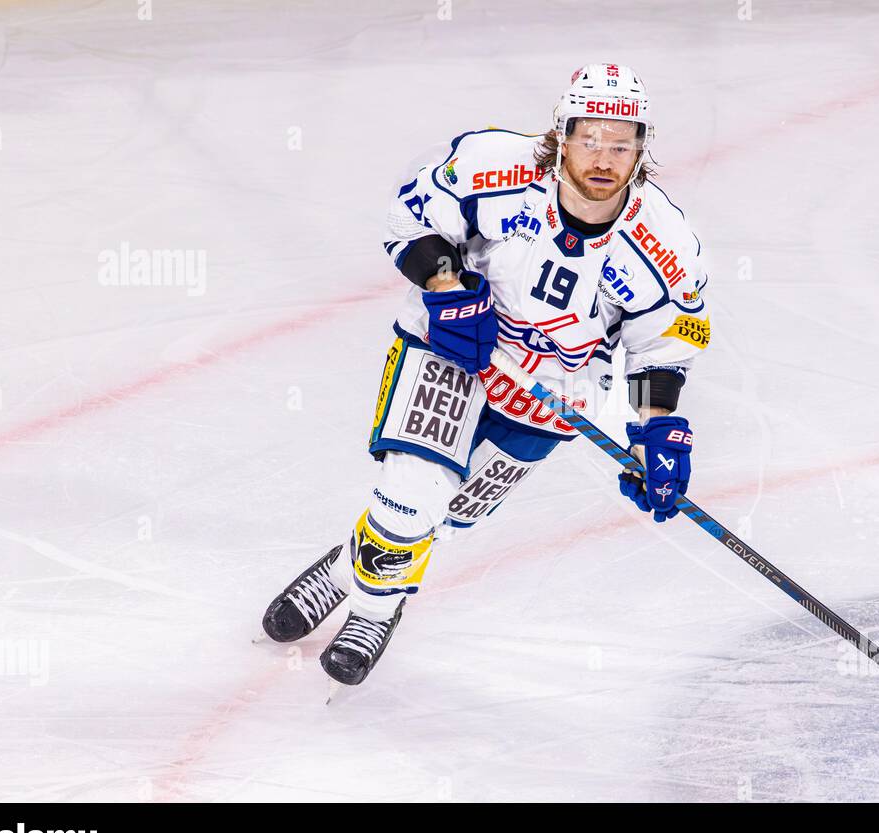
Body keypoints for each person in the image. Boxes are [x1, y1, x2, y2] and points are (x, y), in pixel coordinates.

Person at [259, 63, 712, 690]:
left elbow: (661, 348)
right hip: (452, 351)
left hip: (554, 396)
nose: (604, 158)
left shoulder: (665, 243)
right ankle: (374, 610)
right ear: (561, 134)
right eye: (590, 138)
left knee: (447, 515)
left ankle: (343, 570)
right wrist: (447, 289)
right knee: (411, 495)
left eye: (621, 143)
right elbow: (414, 215)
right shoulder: (494, 165)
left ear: (642, 146)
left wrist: (655, 429)